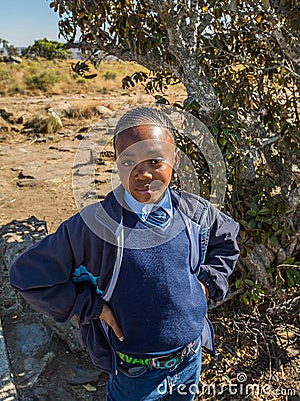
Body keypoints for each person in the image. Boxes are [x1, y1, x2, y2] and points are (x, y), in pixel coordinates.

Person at [9, 106, 240, 400]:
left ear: (176, 158)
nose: (143, 173)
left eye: (155, 160)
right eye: (128, 161)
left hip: (190, 360)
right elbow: (27, 275)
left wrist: (207, 284)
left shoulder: (195, 212)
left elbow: (227, 240)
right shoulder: (95, 227)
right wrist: (89, 306)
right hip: (136, 376)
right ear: (116, 163)